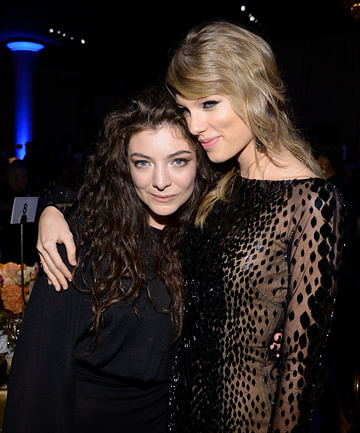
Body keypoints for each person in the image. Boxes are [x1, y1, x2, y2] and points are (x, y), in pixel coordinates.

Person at [35, 20, 346, 433]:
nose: (195, 125)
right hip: (178, 411)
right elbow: (124, 183)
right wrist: (53, 207)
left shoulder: (312, 200)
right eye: (186, 108)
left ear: (256, 91)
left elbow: (300, 372)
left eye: (209, 103)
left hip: (245, 418)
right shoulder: (220, 179)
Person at [2, 85, 215, 433]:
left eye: (178, 161)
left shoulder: (205, 238)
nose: (161, 182)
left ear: (200, 163)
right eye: (143, 163)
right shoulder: (81, 242)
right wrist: (54, 207)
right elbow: (38, 379)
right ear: (124, 168)